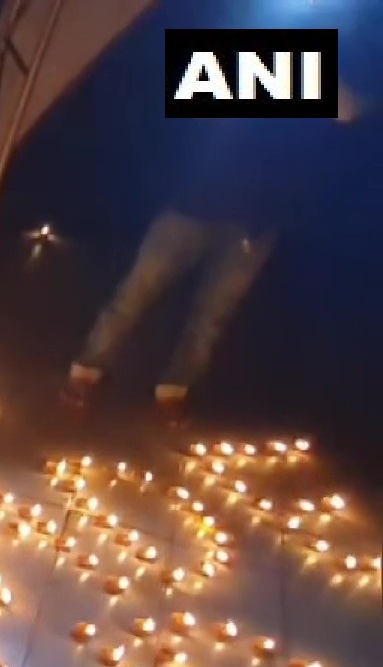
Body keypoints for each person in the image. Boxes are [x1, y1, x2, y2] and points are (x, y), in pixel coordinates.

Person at [63, 80, 361, 424]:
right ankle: (85, 372)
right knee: (134, 295)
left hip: (255, 226)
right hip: (193, 207)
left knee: (211, 318)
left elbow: (347, 113)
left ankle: (174, 391)